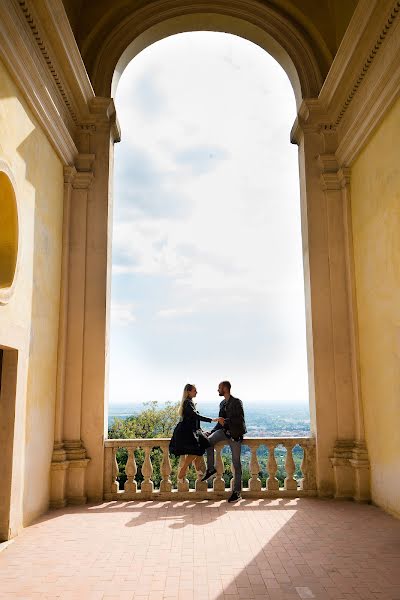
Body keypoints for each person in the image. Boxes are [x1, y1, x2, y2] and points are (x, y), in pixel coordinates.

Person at [202, 381, 247, 503]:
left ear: (225, 389)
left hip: (235, 435)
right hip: (223, 432)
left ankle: (237, 493)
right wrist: (211, 432)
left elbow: (240, 419)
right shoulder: (222, 403)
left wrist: (225, 421)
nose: (218, 390)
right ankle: (211, 469)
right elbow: (219, 422)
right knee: (208, 441)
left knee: (236, 464)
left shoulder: (237, 402)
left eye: (219, 388)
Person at [169, 383, 223, 480]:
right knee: (195, 450)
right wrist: (212, 420)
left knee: (203, 445)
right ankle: (183, 469)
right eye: (194, 390)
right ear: (188, 392)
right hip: (186, 432)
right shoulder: (187, 403)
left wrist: (201, 431)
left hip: (191, 430)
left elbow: (194, 419)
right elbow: (196, 416)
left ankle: (198, 467)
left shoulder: (189, 402)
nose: (196, 392)